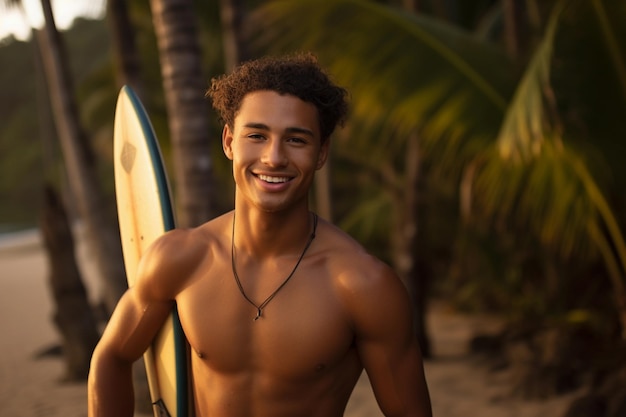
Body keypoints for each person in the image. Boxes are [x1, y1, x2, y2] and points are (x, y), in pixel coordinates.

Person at [88, 53, 432, 417]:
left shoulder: (362, 285)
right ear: (229, 142)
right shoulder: (180, 259)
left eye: (296, 140)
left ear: (321, 153)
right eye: (256, 135)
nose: (273, 158)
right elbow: (112, 357)